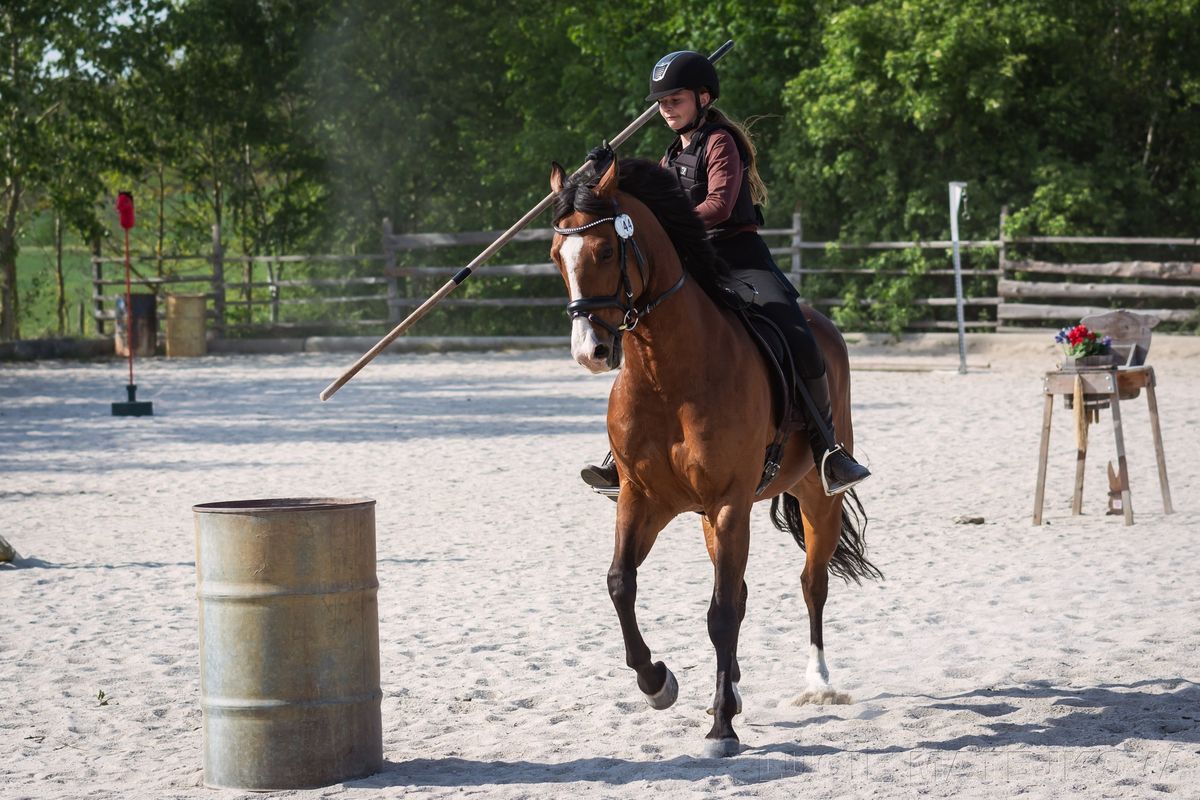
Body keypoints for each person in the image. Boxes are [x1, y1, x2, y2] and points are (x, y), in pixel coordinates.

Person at [579, 50, 871, 497]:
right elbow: (648, 205)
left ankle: (828, 450)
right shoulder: (670, 155)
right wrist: (606, 175)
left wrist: (668, 227)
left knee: (797, 332)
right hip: (693, 259)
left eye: (675, 99)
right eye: (661, 102)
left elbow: (717, 204)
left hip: (740, 256)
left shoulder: (721, 143)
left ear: (702, 97)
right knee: (644, 332)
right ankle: (624, 456)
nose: (667, 109)